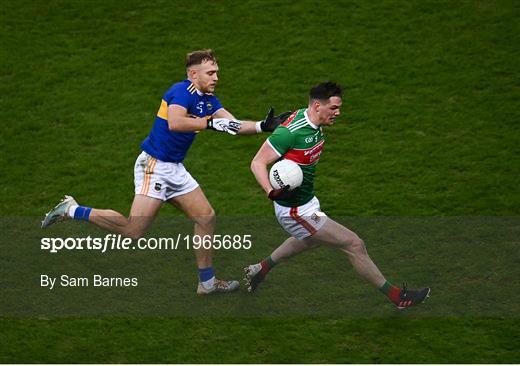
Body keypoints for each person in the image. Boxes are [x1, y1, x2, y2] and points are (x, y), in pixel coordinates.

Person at [41, 49, 290, 295]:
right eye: (210, 73)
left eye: (217, 73)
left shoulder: (209, 101)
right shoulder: (180, 91)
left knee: (206, 218)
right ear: (193, 74)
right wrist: (209, 123)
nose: (216, 78)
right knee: (133, 231)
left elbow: (232, 124)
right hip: (154, 167)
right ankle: (72, 209)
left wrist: (262, 126)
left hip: (175, 169)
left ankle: (207, 282)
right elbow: (176, 122)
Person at [245, 81, 430, 309]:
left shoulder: (307, 120)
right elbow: (257, 162)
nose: (338, 113)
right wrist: (270, 191)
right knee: (353, 244)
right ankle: (397, 297)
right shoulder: (290, 133)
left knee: (308, 241)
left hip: (307, 201)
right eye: (333, 108)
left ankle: (259, 269)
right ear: (316, 106)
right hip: (294, 210)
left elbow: (292, 119)